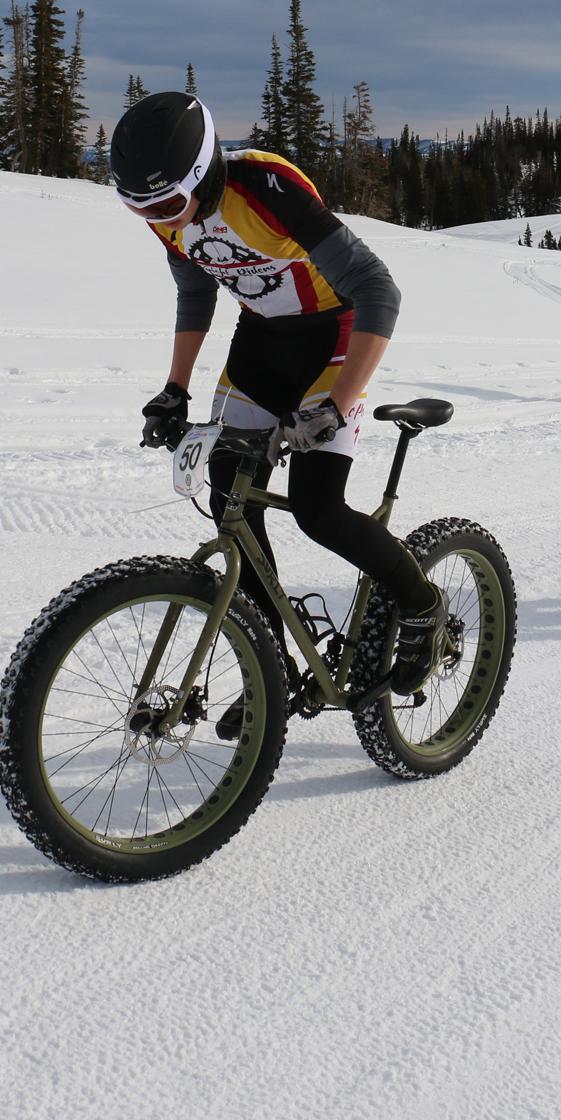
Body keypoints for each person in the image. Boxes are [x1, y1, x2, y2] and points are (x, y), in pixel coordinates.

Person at [110, 90, 447, 709]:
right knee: (228, 494)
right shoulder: (167, 214)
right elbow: (195, 294)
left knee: (317, 508)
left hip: (336, 338)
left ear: (204, 171)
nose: (161, 218)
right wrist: (175, 388)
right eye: (142, 210)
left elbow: (378, 290)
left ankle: (422, 605)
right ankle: (271, 661)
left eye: (167, 203)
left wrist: (336, 406)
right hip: (262, 341)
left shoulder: (265, 188)